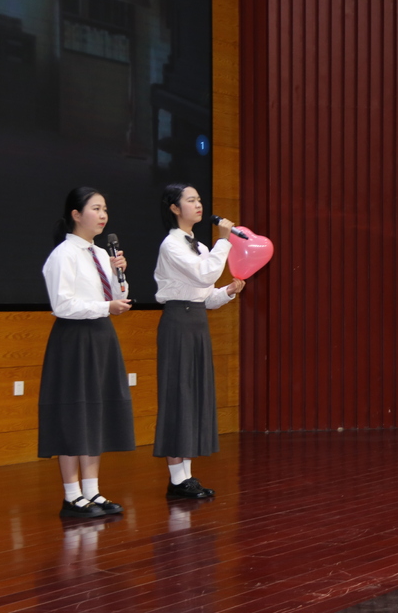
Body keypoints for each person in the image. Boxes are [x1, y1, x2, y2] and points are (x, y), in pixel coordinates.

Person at [39, 187, 135, 519]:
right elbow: (62, 304)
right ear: (76, 215)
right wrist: (105, 306)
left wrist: (120, 276)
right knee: (73, 413)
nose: (103, 214)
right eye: (95, 208)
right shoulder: (63, 255)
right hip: (74, 339)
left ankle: (92, 491)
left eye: (105, 208)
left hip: (101, 335)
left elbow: (117, 295)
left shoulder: (100, 254)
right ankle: (72, 496)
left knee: (95, 412)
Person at [154, 183, 245, 499]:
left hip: (196, 322)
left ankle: (186, 477)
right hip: (178, 323)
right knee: (177, 394)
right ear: (174, 208)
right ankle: (176, 479)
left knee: (193, 395)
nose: (198, 204)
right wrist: (225, 241)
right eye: (190, 200)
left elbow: (206, 296)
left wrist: (228, 292)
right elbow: (204, 274)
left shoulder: (201, 247)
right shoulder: (172, 245)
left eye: (199, 199)